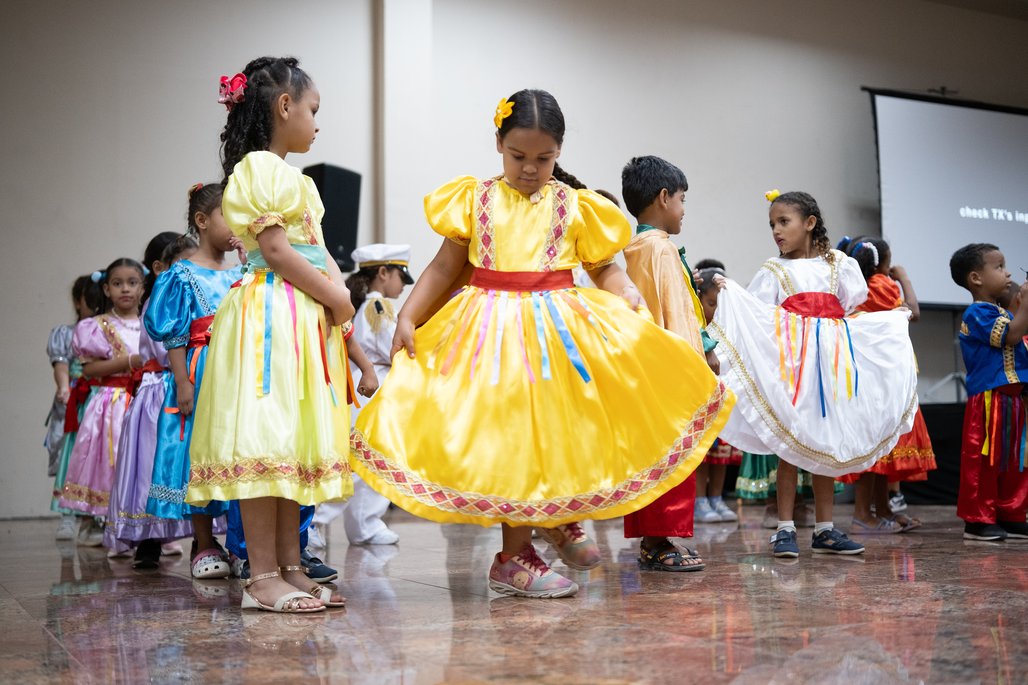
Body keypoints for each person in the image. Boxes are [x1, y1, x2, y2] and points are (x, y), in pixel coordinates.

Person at [351, 89, 733, 598]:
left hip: (556, 334)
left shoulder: (575, 206)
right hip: (491, 334)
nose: (530, 169)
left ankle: (553, 516)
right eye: (518, 157)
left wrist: (625, 293)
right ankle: (514, 556)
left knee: (559, 427)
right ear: (498, 145)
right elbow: (445, 266)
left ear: (559, 152)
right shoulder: (477, 198)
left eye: (544, 159)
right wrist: (410, 315)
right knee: (513, 434)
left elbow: (603, 266)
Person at [187, 57, 354, 613]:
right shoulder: (259, 168)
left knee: (289, 442)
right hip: (271, 317)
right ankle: (260, 576)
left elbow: (319, 249)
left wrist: (338, 297)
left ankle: (288, 564)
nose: (317, 122)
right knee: (266, 440)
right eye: (313, 110)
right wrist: (335, 295)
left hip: (299, 317)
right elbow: (278, 252)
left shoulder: (296, 179)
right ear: (285, 107)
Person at [710, 190, 917, 557]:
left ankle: (825, 528)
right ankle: (785, 527)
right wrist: (732, 293)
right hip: (793, 366)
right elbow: (760, 315)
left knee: (825, 444)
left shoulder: (839, 265)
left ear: (809, 223)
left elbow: (849, 311)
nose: (776, 230)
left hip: (833, 367)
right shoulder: (774, 271)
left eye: (783, 222)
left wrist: (887, 322)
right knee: (791, 445)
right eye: (772, 224)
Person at [619, 155, 721, 572]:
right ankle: (658, 542)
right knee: (671, 458)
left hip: (645, 368)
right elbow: (676, 314)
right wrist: (702, 357)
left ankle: (656, 540)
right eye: (681, 199)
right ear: (664, 198)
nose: (683, 208)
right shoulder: (658, 249)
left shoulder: (637, 247)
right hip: (667, 369)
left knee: (655, 459)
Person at [145, 183, 243, 579]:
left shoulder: (244, 269)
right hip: (200, 373)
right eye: (229, 214)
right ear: (202, 222)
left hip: (237, 372)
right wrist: (183, 382)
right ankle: (203, 543)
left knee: (237, 452)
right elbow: (174, 334)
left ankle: (241, 542)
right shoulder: (182, 275)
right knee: (197, 452)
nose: (238, 222)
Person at [310, 244, 415, 550]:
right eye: (399, 277)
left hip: (372, 386)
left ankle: (366, 524)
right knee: (358, 461)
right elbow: (391, 349)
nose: (401, 285)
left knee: (373, 460)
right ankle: (317, 521)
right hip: (372, 388)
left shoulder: (372, 306)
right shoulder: (378, 308)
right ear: (383, 274)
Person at [836, 236, 935, 535]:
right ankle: (863, 515)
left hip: (864, 377)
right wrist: (903, 278)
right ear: (882, 264)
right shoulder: (882, 285)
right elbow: (913, 313)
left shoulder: (853, 289)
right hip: (883, 380)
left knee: (881, 450)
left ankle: (883, 510)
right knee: (876, 449)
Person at [106, 232, 193, 565]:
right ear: (160, 269)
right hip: (161, 390)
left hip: (187, 385)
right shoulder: (159, 301)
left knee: (188, 466)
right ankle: (148, 538)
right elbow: (163, 349)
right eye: (183, 265)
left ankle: (204, 537)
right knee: (150, 466)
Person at [948, 243, 1028, 541]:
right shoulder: (977, 313)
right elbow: (1012, 335)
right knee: (984, 462)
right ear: (976, 278)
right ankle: (978, 519)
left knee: (1015, 462)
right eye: (999, 266)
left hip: (1014, 400)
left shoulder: (1003, 313)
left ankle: (1011, 513)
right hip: (989, 400)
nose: (1007, 272)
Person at [57, 259, 146, 524]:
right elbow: (90, 370)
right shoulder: (96, 326)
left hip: (144, 401)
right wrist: (129, 362)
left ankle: (151, 528)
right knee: (114, 462)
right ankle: (113, 526)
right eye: (118, 284)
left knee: (145, 462)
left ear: (142, 288)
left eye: (132, 283)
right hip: (112, 404)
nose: (125, 289)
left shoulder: (149, 323)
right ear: (106, 289)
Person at [47, 275, 102, 541]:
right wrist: (63, 388)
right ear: (77, 301)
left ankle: (93, 520)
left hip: (101, 400)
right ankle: (68, 513)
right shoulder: (66, 333)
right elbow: (61, 364)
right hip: (76, 403)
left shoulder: (105, 329)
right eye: (88, 301)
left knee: (97, 457)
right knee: (72, 455)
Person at [693, 266, 743, 524]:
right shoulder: (696, 328)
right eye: (711, 303)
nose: (715, 310)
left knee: (722, 453)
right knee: (703, 453)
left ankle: (716, 498)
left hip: (724, 399)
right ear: (699, 298)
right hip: (701, 400)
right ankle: (700, 501)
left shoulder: (728, 329)